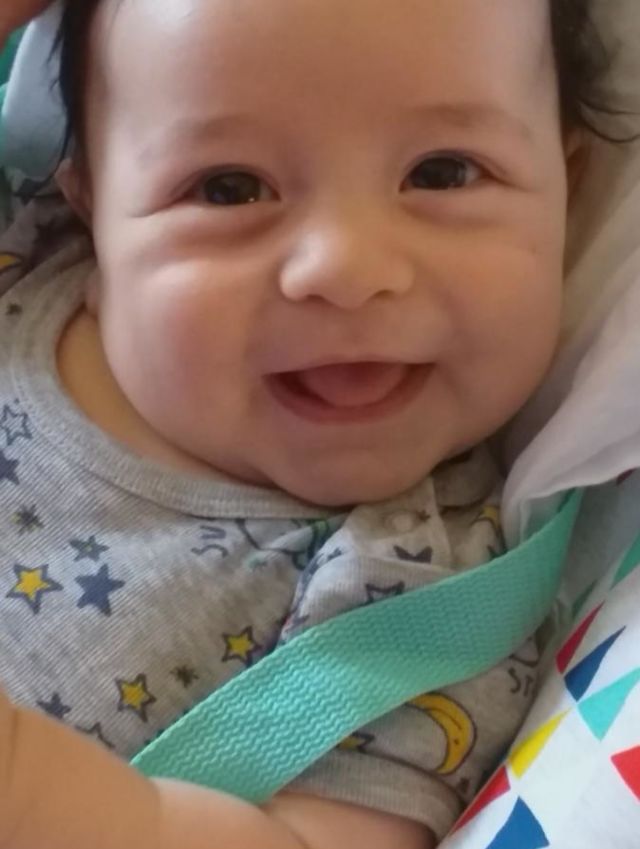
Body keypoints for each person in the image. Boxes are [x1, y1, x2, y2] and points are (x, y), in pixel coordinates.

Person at [0, 1, 605, 847]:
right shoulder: (23, 252)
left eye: (442, 172)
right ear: (91, 205)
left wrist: (24, 782)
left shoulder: (419, 600)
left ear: (568, 191)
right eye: (229, 188)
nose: (346, 268)